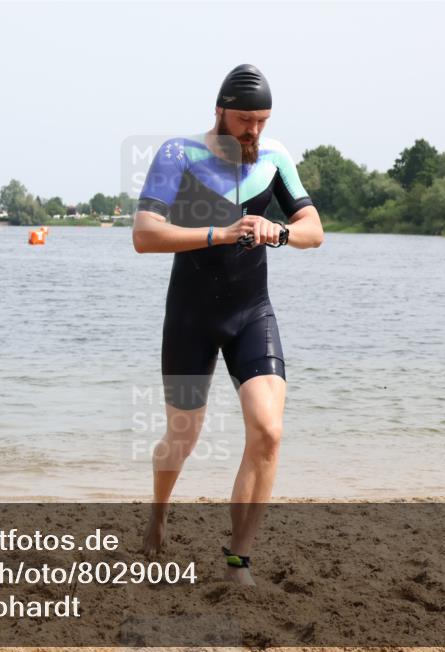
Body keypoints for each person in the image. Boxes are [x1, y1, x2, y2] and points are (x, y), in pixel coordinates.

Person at [132, 64, 324, 584]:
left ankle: (238, 558)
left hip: (250, 313)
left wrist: (278, 231)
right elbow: (145, 235)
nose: (253, 131)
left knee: (268, 430)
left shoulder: (276, 156)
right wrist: (218, 233)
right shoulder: (178, 154)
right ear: (219, 112)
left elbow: (315, 230)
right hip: (191, 317)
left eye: (261, 120)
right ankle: (158, 516)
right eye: (244, 120)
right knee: (182, 437)